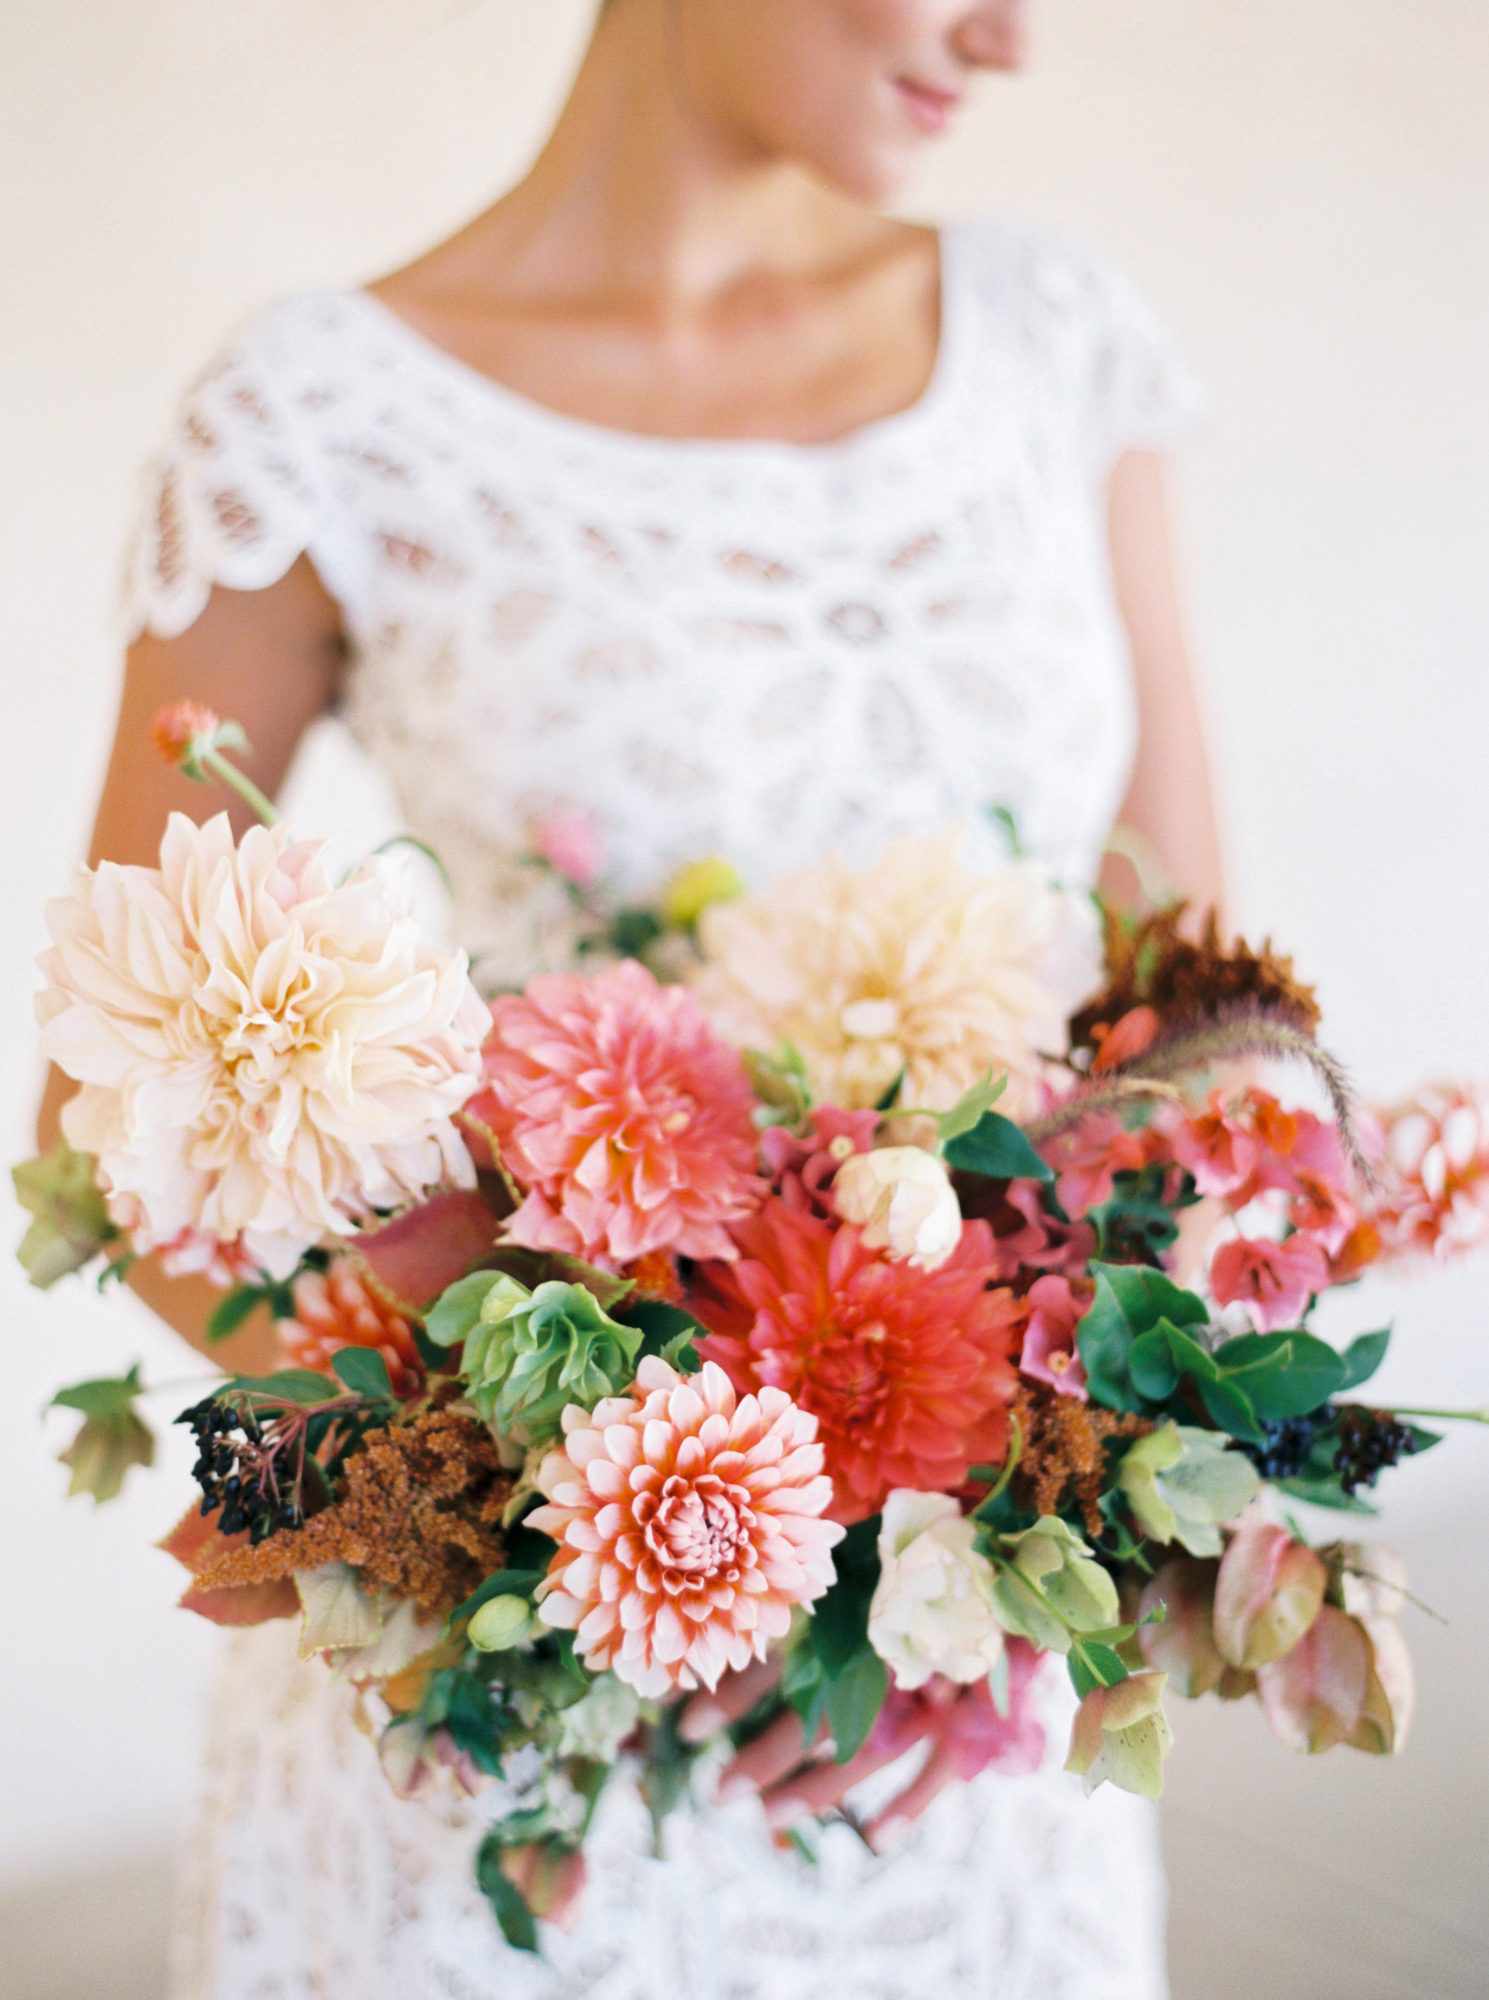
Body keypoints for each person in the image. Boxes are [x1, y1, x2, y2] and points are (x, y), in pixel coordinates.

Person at [39, 2, 1228, 1993]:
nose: (1005, 37)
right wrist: (577, 1514)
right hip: (518, 1716)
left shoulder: (1055, 345)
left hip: (957, 1710)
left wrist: (1006, 1565)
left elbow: (1186, 1020)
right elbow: (109, 1120)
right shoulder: (324, 413)